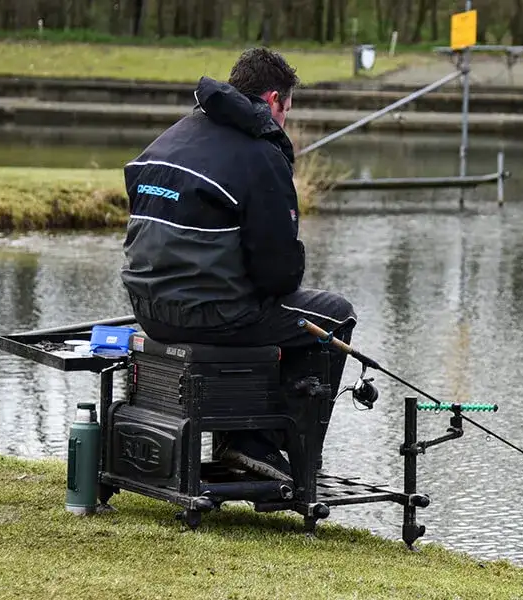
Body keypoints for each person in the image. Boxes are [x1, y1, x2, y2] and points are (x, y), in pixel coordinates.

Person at [119, 47, 357, 481]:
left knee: (258, 300)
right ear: (272, 101)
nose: (284, 120)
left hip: (149, 311)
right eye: (287, 109)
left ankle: (246, 441)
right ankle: (274, 454)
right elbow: (279, 274)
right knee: (334, 315)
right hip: (211, 316)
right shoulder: (261, 155)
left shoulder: (171, 137)